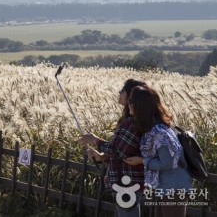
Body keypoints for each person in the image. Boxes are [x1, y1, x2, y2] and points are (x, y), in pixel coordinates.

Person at [78, 79, 147, 217]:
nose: (119, 92)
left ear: (131, 95)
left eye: (122, 90)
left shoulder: (133, 123)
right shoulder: (128, 120)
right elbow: (122, 152)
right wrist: (102, 156)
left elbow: (118, 150)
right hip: (125, 181)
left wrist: (95, 139)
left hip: (128, 182)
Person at [124, 86, 192, 217]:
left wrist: (143, 161)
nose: (129, 104)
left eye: (131, 101)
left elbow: (167, 163)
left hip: (174, 189)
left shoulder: (159, 132)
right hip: (166, 187)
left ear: (140, 106)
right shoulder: (153, 128)